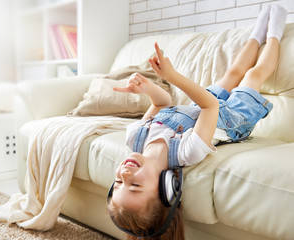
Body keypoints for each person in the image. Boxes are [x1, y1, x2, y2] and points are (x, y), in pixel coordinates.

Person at [107, 4, 287, 240]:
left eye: (118, 182)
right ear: (166, 188)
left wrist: (147, 89)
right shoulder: (186, 153)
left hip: (198, 107)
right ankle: (275, 32)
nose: (125, 174)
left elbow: (162, 104)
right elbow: (210, 106)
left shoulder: (135, 138)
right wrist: (172, 77)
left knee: (232, 72)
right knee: (253, 75)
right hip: (232, 119)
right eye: (135, 186)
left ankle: (258, 31)